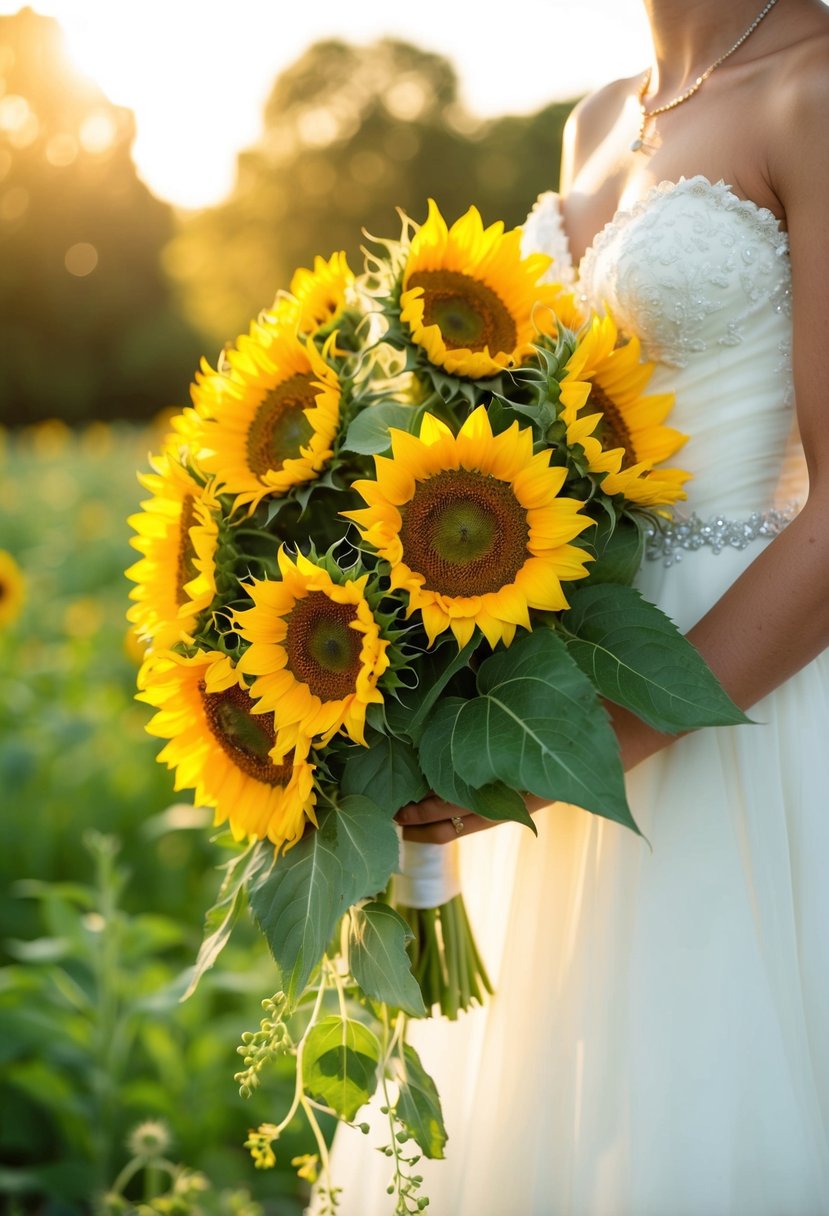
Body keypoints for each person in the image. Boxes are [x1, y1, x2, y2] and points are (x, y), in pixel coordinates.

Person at [311, 1, 829, 1211]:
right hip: (554, 672)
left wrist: (567, 759)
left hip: (733, 702)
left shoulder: (817, 87)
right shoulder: (599, 115)